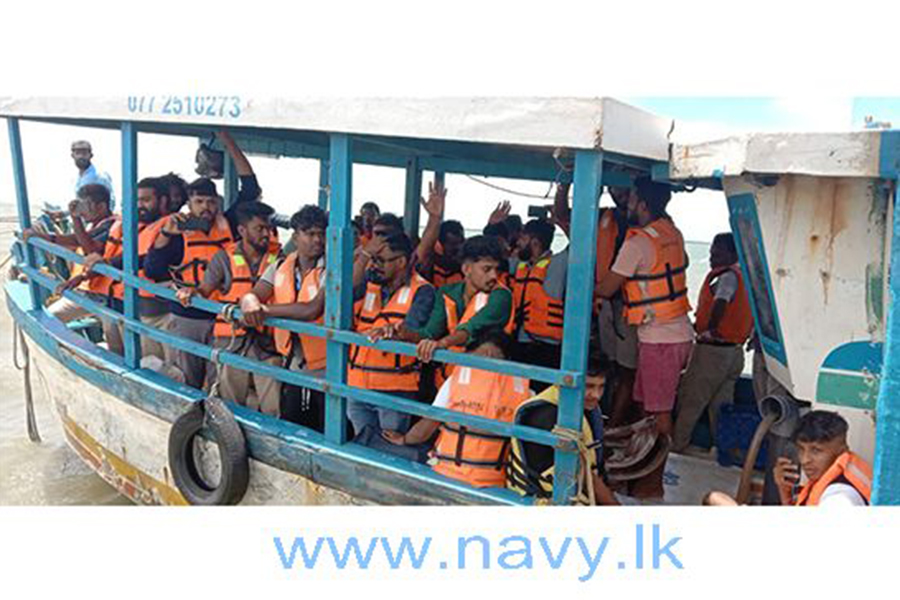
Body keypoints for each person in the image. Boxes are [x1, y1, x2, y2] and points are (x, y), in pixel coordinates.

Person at [595, 177, 691, 499]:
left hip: (660, 340)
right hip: (673, 333)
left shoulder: (636, 243)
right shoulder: (672, 232)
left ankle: (653, 484)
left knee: (659, 413)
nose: (628, 204)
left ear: (643, 204)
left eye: (633, 199)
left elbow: (608, 288)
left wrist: (587, 291)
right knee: (645, 405)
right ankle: (637, 472)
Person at [383, 329, 530, 489]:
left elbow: (425, 430)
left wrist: (404, 439)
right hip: (495, 481)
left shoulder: (458, 380)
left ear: (486, 353)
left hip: (447, 473)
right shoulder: (525, 391)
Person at [177, 201, 281, 415]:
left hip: (268, 342)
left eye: (268, 229)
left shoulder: (280, 259)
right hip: (231, 339)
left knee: (274, 403)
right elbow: (205, 289)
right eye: (259, 229)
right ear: (242, 230)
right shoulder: (223, 258)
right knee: (229, 402)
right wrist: (191, 292)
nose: (266, 234)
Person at [61, 177, 170, 360]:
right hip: (118, 300)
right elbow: (117, 257)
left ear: (162, 201)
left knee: (151, 362)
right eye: (136, 200)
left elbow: (146, 260)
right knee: (119, 356)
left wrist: (105, 266)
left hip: (152, 309)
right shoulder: (129, 226)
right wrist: (84, 276)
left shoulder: (169, 228)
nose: (140, 205)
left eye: (146, 200)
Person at [556, 182, 637, 426]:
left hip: (630, 308)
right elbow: (562, 216)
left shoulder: (648, 222)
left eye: (624, 189)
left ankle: (613, 426)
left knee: (627, 370)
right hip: (603, 306)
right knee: (603, 366)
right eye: (615, 188)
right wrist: (564, 187)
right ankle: (597, 419)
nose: (619, 192)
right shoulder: (602, 216)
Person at [240, 205, 329, 428]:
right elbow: (256, 292)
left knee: (325, 422)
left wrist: (266, 311)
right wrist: (249, 301)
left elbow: (311, 309)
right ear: (296, 236)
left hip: (327, 365)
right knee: (292, 419)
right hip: (293, 362)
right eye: (310, 234)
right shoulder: (280, 265)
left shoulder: (332, 269)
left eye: (321, 234)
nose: (317, 240)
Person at [346, 232, 435, 445]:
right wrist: (365, 254)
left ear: (401, 261)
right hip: (357, 384)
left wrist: (395, 331)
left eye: (381, 260)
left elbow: (414, 329)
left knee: (388, 451)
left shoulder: (423, 291)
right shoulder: (369, 283)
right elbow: (341, 290)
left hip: (394, 390)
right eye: (373, 259)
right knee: (361, 445)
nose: (374, 265)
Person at [144, 177, 234, 388]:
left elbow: (250, 190)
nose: (206, 207)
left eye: (211, 202)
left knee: (217, 381)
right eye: (199, 201)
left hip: (222, 317)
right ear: (190, 204)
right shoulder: (178, 235)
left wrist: (230, 144)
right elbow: (152, 269)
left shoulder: (230, 227)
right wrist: (166, 234)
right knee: (187, 379)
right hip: (188, 315)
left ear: (218, 203)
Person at [672, 233, 753, 453]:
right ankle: (723, 449)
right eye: (710, 252)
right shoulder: (745, 277)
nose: (711, 257)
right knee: (721, 406)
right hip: (734, 353)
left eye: (717, 252)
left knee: (691, 401)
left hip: (713, 352)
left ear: (732, 254)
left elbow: (721, 302)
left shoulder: (727, 277)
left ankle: (677, 446)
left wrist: (710, 330)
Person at [506, 355, 620, 505]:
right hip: (543, 500)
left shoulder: (584, 407)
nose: (596, 395)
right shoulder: (548, 416)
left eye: (601, 387)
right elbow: (584, 477)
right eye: (589, 386)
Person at [704, 410, 872, 506]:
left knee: (716, 502)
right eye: (801, 449)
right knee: (713, 499)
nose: (805, 460)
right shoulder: (837, 472)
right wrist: (784, 492)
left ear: (842, 449)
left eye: (816, 451)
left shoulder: (839, 498)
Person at [414, 235, 515, 388]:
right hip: (448, 379)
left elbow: (471, 328)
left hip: (484, 382)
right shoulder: (446, 292)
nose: (494, 276)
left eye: (497, 269)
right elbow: (429, 332)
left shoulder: (501, 296)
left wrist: (442, 343)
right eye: (487, 269)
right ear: (466, 269)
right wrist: (399, 332)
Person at [28, 184, 116, 323]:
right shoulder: (94, 224)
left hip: (99, 294)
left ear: (101, 207)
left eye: (85, 206)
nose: (81, 211)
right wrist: (42, 236)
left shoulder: (110, 225)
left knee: (47, 319)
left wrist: (75, 218)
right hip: (87, 287)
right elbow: (75, 239)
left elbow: (89, 248)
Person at [510, 210, 568, 384]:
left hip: (547, 348)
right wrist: (492, 226)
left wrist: (561, 223)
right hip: (520, 344)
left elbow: (581, 243)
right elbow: (491, 257)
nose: (518, 243)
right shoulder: (519, 265)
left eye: (522, 238)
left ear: (534, 242)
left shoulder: (560, 263)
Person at [71, 140, 115, 210]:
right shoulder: (75, 179)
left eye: (84, 153)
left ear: (91, 155)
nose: (81, 156)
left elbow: (110, 202)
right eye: (78, 153)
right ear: (72, 155)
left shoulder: (100, 176)